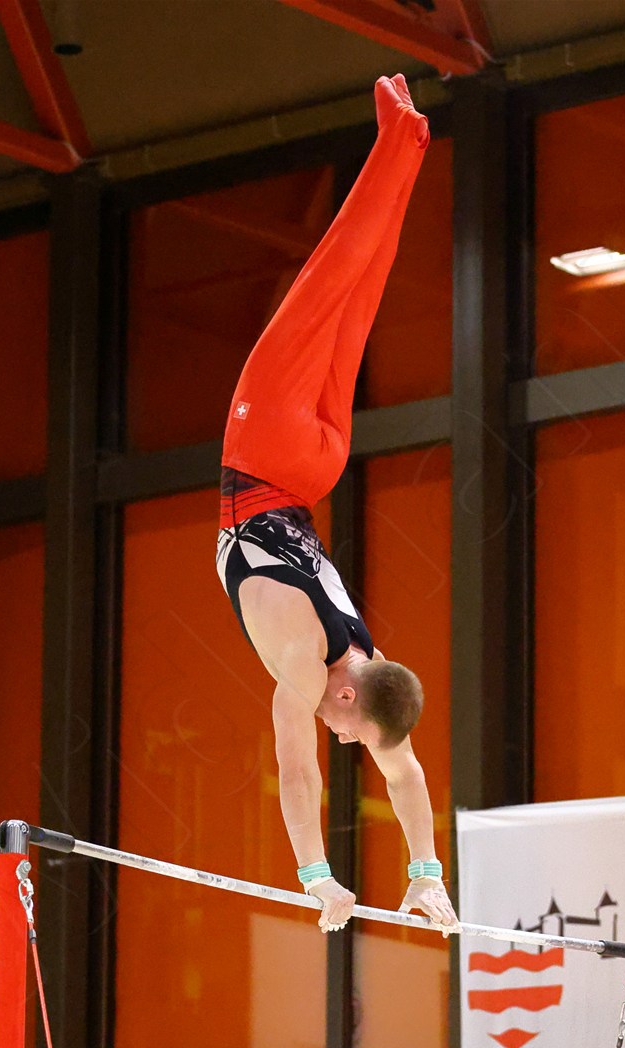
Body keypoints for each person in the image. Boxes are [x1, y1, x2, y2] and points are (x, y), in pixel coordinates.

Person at [215, 75, 458, 938]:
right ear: (350, 695)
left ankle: (409, 142)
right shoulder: (307, 668)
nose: (343, 739)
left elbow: (408, 775)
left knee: (357, 291)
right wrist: (316, 877)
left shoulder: (373, 661)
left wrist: (428, 876)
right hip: (265, 453)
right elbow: (296, 772)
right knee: (327, 282)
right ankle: (396, 139)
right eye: (349, 732)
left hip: (317, 467)